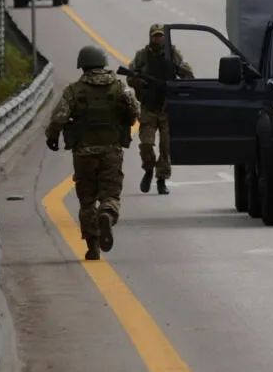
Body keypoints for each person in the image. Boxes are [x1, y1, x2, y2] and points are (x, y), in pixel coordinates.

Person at [45, 46, 139, 261]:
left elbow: (59, 118)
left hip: (83, 153)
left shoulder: (74, 90)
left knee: (87, 201)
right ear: (103, 62)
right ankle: (107, 213)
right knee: (111, 194)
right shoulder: (120, 87)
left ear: (83, 65)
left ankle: (93, 246)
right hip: (111, 150)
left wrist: (52, 137)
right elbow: (134, 112)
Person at [127, 24, 194, 195]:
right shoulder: (142, 55)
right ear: (150, 37)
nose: (158, 39)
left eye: (161, 36)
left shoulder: (172, 54)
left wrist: (177, 85)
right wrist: (140, 82)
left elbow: (187, 73)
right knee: (146, 144)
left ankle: (161, 179)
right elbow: (130, 76)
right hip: (149, 107)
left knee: (165, 147)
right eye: (155, 36)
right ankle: (149, 169)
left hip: (166, 107)